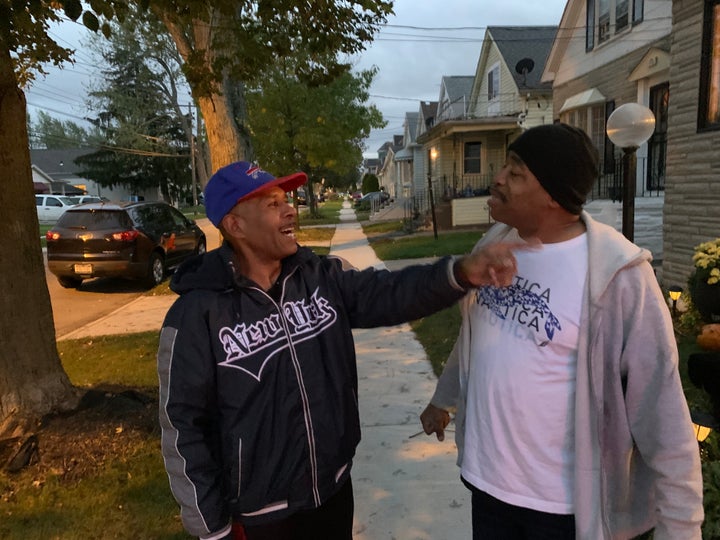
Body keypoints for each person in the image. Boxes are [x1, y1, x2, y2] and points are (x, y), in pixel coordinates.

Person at [157, 161, 523, 540]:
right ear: (235, 225)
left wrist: (460, 273)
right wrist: (211, 528)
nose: (289, 211)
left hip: (332, 491)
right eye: (271, 204)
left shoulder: (319, 278)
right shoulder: (195, 315)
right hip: (259, 515)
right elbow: (183, 425)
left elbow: (388, 293)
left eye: (287, 200)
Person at [420, 123, 704, 540]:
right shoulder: (498, 242)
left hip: (562, 509)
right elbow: (476, 337)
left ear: (553, 196)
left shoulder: (618, 277)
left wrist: (681, 528)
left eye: (516, 174)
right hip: (488, 484)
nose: (497, 178)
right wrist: (444, 398)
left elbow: (660, 409)